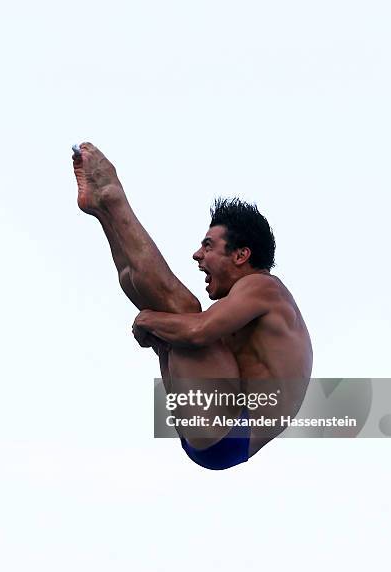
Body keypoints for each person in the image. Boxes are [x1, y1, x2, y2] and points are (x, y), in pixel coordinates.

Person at [73, 142, 313, 469]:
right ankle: (103, 211)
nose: (197, 255)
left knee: (183, 310)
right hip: (215, 435)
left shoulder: (263, 287)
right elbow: (189, 343)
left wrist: (149, 321)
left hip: (231, 429)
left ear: (241, 255)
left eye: (208, 246)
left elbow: (198, 333)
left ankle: (114, 200)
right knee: (141, 287)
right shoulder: (243, 307)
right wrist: (157, 335)